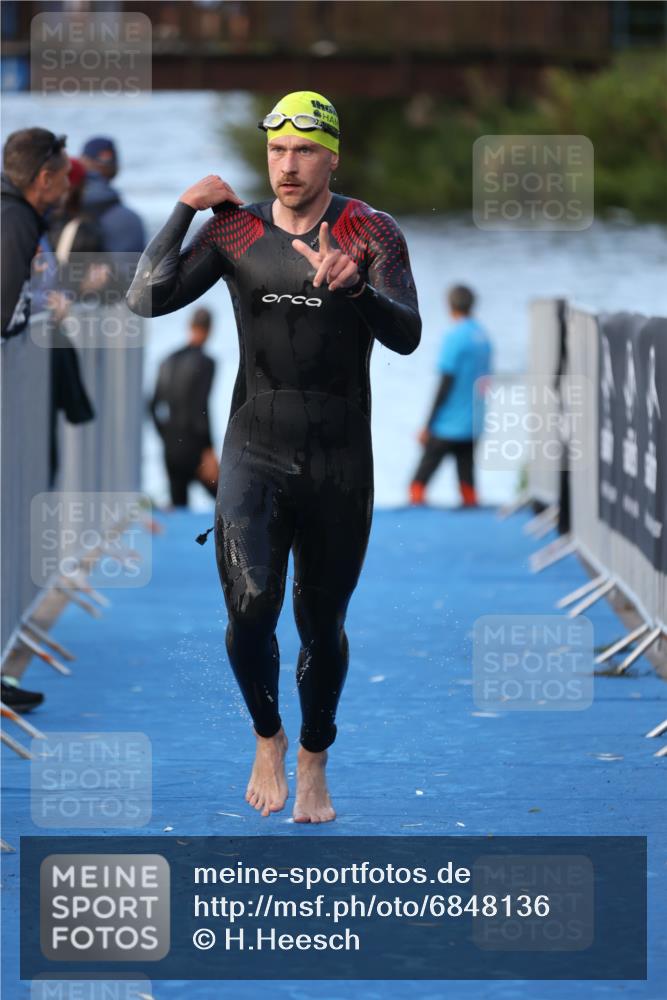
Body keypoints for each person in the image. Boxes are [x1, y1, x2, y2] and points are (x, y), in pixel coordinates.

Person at [127, 90, 421, 823]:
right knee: (251, 606)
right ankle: (268, 736)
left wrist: (359, 291)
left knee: (322, 627)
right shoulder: (235, 231)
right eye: (276, 151)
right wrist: (185, 209)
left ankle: (315, 755)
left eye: (303, 151)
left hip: (339, 458)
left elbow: (408, 335)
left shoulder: (369, 230)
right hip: (254, 448)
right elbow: (145, 298)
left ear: (332, 155)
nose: (287, 166)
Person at [410, 284, 492, 507]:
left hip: (448, 423)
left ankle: (414, 520)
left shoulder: (454, 337)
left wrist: (427, 425)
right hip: (473, 420)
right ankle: (473, 518)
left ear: (450, 306)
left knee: (419, 481)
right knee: (467, 478)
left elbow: (445, 383)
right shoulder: (483, 337)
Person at [1, 128, 70, 339]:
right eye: (65, 176)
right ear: (46, 179)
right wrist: (47, 309)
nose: (68, 185)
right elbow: (6, 317)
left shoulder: (11, 211)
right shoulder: (17, 220)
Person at [150, 307, 219, 507]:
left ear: (190, 326)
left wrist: (166, 437)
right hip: (195, 448)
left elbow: (153, 406)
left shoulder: (168, 360)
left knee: (179, 509)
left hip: (171, 448)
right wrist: (208, 450)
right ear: (210, 329)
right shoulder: (206, 363)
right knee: (228, 502)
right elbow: (200, 407)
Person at [80, 137, 145, 254]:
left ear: (82, 161)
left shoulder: (56, 203)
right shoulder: (129, 219)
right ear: (116, 167)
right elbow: (133, 269)